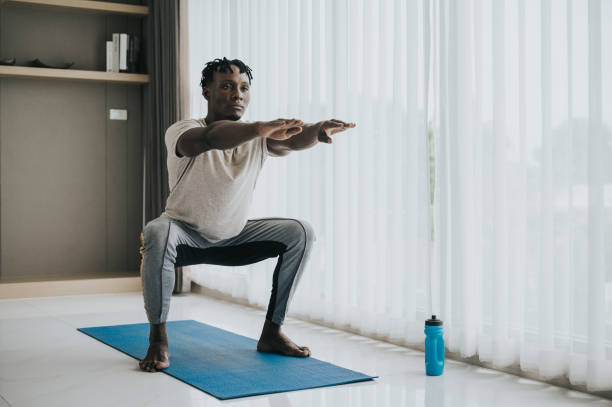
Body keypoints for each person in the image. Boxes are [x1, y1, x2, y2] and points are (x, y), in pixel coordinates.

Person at [138, 57, 356, 372]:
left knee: (300, 232)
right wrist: (258, 129)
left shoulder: (257, 139)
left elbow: (294, 140)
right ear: (206, 92)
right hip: (184, 235)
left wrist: (317, 129)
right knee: (157, 231)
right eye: (226, 87)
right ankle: (158, 338)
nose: (237, 94)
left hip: (234, 236)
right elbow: (210, 138)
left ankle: (272, 333)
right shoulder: (183, 130)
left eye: (243, 88)